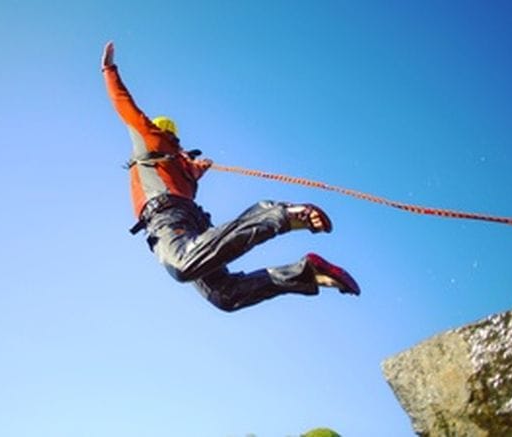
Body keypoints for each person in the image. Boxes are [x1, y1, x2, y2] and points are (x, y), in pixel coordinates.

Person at [101, 41, 360, 312]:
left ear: (157, 128)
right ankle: (306, 273)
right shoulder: (180, 164)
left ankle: (275, 214)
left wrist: (108, 70)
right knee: (226, 295)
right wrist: (194, 171)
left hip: (167, 217)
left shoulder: (150, 138)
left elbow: (124, 104)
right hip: (189, 221)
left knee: (181, 265)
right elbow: (180, 185)